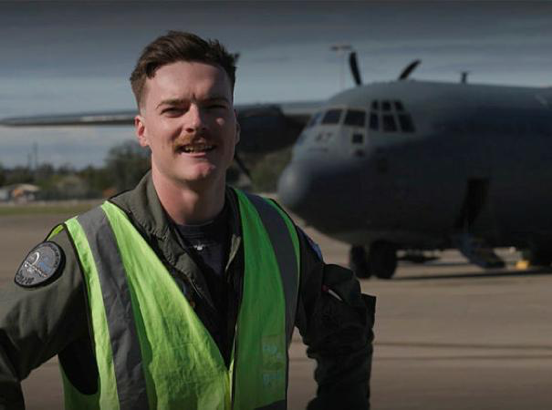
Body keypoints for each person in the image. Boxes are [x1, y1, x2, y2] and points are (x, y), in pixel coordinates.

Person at [0, 31, 375, 410]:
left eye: (215, 106)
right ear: (142, 130)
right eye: (174, 109)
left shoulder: (276, 232)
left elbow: (346, 329)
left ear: (235, 126)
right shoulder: (88, 249)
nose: (197, 122)